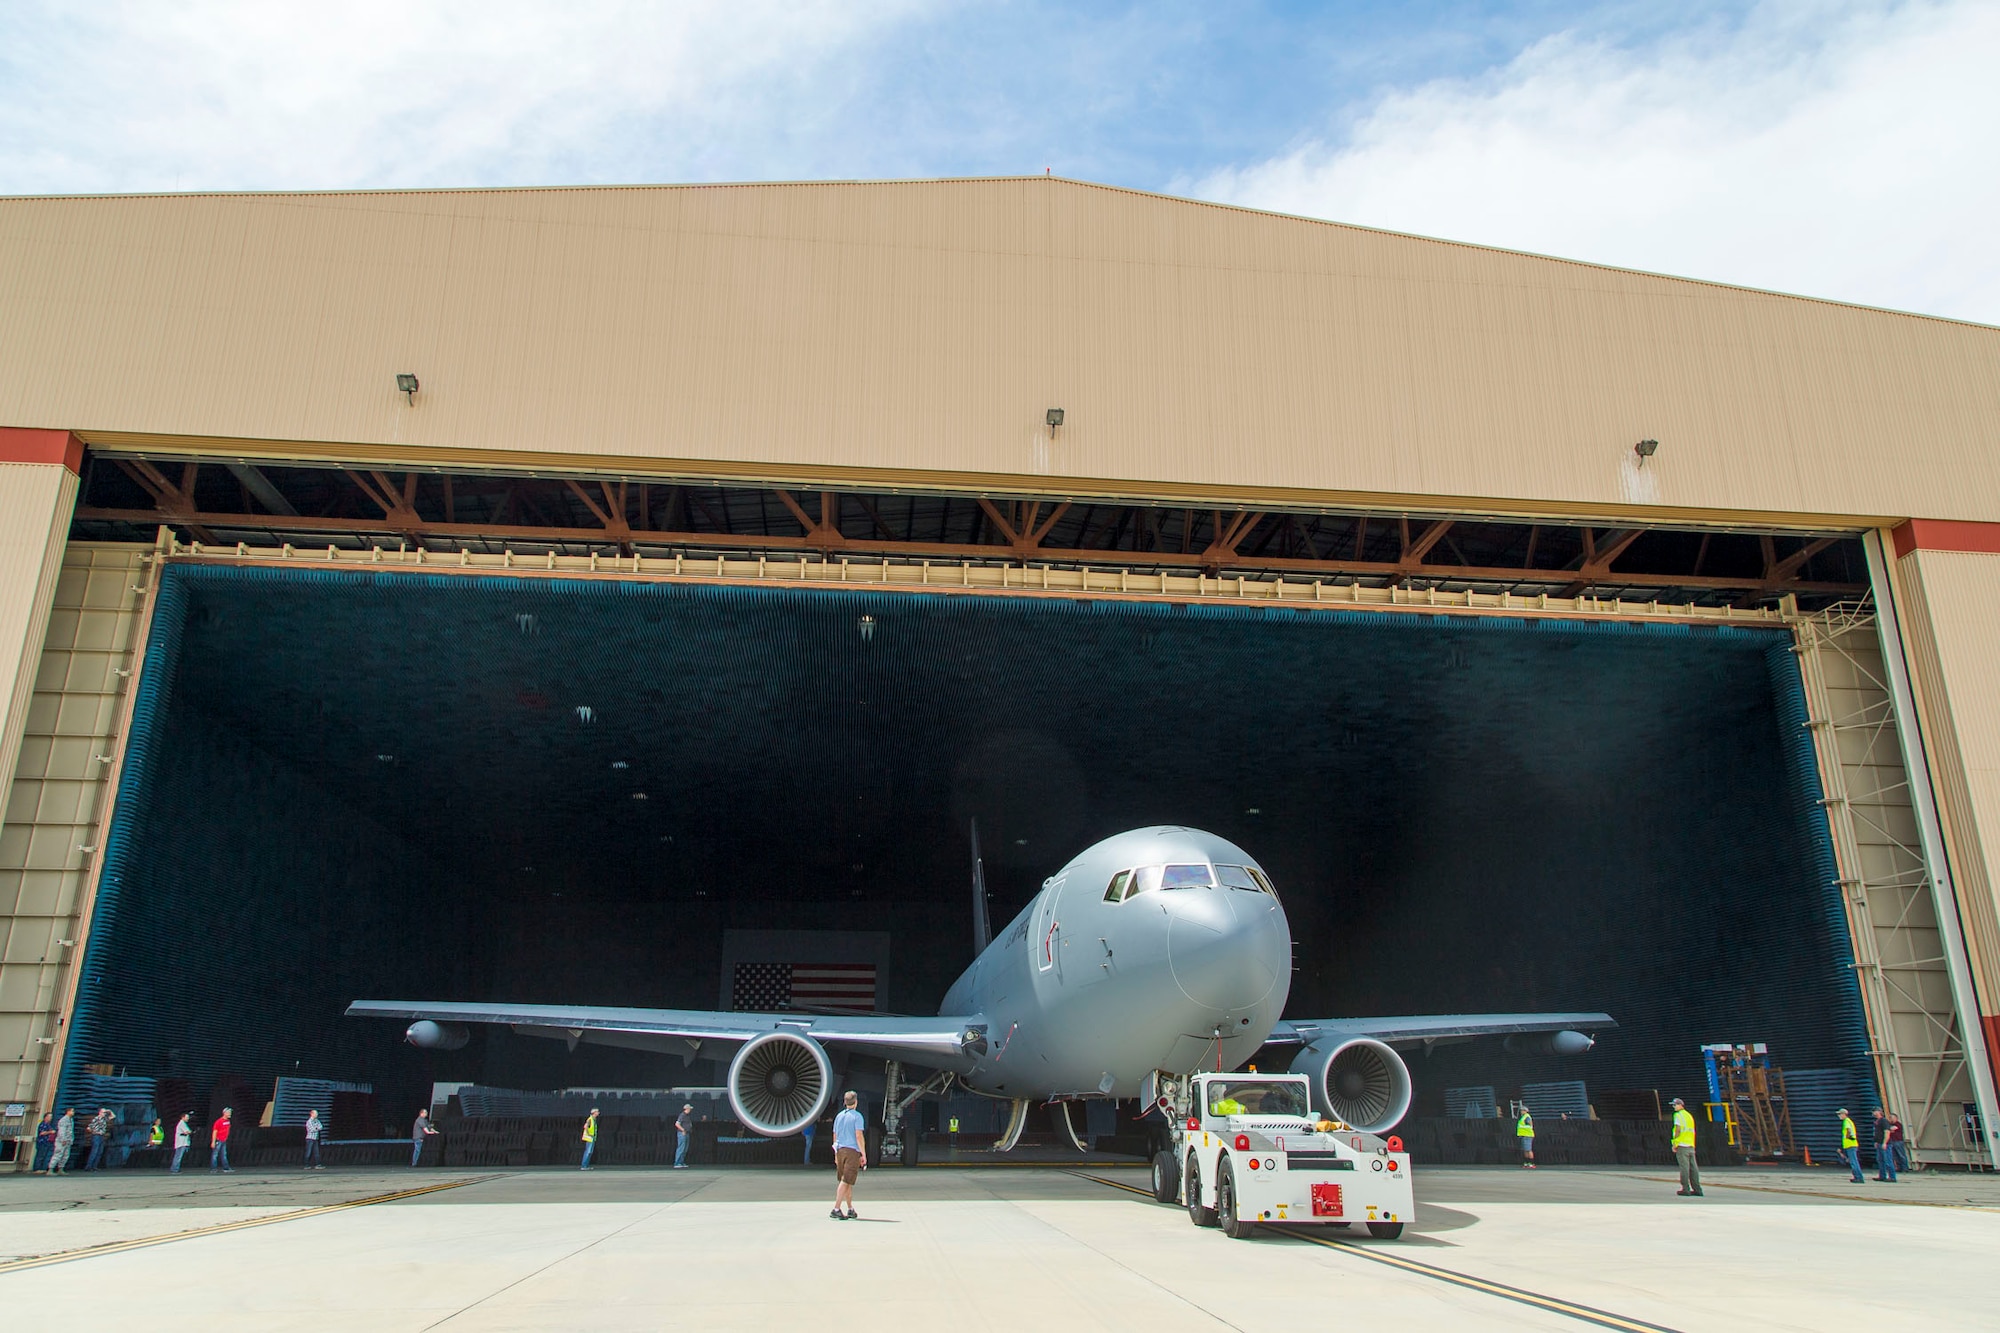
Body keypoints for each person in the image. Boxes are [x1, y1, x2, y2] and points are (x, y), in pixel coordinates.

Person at [830, 1090, 866, 1220]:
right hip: (851, 1151)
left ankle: (850, 1208)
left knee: (846, 1181)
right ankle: (836, 1208)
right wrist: (863, 1154)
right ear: (856, 1102)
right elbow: (858, 1136)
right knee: (846, 1180)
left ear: (845, 1102)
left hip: (839, 1150)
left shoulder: (839, 1116)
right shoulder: (857, 1117)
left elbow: (835, 1135)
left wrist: (835, 1153)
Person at [1670, 1097, 1701, 1196]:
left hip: (1682, 1145)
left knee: (1684, 1168)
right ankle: (1697, 1189)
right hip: (1691, 1145)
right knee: (1693, 1168)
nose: (1673, 1107)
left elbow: (1678, 1130)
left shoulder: (1678, 1115)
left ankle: (1685, 1189)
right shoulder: (1689, 1116)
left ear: (1680, 1105)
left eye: (1675, 1105)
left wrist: (1675, 1143)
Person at [84, 1106, 116, 1171]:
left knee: (99, 1152)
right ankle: (88, 1167)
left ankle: (94, 1166)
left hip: (101, 1136)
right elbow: (89, 1128)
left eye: (105, 1112)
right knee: (94, 1152)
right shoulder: (96, 1119)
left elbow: (113, 1116)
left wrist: (109, 1110)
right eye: (103, 1112)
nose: (104, 1113)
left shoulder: (104, 1119)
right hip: (96, 1136)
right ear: (100, 1112)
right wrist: (94, 1132)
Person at [1838, 1108, 1863, 1183]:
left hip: (1850, 1145)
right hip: (1851, 1144)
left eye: (1840, 1114)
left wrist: (1848, 1138)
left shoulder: (1846, 1121)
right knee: (1853, 1161)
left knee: (1853, 1162)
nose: (1839, 1116)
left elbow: (1848, 1130)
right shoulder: (1848, 1121)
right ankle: (1857, 1176)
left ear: (1844, 1114)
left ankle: (1858, 1177)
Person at [1873, 1109, 1897, 1183]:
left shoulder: (1884, 1121)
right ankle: (1882, 1175)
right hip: (1879, 1143)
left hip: (1885, 1144)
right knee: (1881, 1160)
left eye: (1875, 1111)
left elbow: (1887, 1132)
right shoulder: (1877, 1122)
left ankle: (1892, 1177)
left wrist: (1884, 1143)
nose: (1873, 1113)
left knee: (1888, 1160)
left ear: (1879, 1112)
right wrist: (1876, 1142)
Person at [50, 1108, 75, 1175]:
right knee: (58, 1154)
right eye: (72, 1111)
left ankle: (61, 1169)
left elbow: (70, 1131)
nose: (73, 1112)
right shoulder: (63, 1120)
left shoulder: (71, 1120)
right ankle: (50, 1169)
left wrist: (71, 1140)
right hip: (61, 1141)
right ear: (68, 1112)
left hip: (68, 1141)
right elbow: (62, 1131)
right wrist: (63, 1139)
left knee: (65, 1156)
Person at [210, 1106, 234, 1172]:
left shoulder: (228, 1121)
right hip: (218, 1140)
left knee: (224, 1154)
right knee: (215, 1154)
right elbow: (215, 1131)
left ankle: (226, 1168)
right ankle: (213, 1169)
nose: (230, 1114)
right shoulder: (219, 1121)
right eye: (228, 1112)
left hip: (223, 1140)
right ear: (224, 1113)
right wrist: (213, 1141)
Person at [1517, 1104, 1536, 1169]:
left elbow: (1530, 1125)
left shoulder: (1527, 1117)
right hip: (1523, 1135)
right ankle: (1526, 1162)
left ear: (1525, 1111)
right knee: (1525, 1149)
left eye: (1522, 1110)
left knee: (1528, 1149)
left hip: (1527, 1135)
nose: (1521, 1111)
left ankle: (1531, 1163)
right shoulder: (1522, 1117)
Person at [674, 1103, 693, 1169]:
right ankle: (677, 1162)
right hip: (682, 1134)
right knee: (681, 1148)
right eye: (690, 1109)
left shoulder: (687, 1116)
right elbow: (677, 1124)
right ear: (687, 1109)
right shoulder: (682, 1115)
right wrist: (683, 1130)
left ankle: (681, 1162)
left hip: (687, 1133)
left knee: (685, 1148)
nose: (690, 1110)